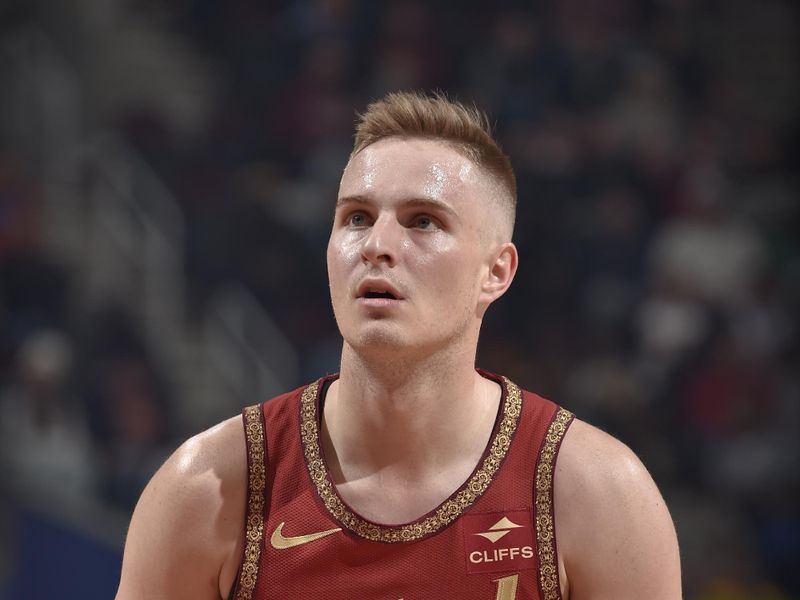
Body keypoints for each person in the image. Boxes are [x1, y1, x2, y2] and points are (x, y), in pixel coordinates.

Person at [115, 91, 681, 599]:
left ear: (497, 272)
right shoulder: (207, 489)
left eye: (423, 221)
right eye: (356, 217)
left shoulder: (596, 493)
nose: (377, 244)